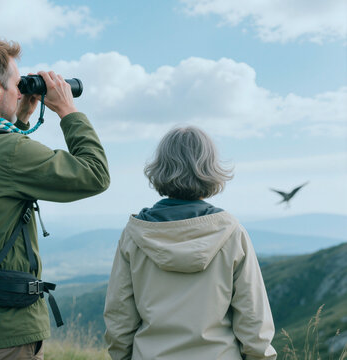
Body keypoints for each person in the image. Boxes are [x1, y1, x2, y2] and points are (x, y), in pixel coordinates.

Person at [0, 38, 110, 359]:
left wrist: (21, 119)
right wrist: (68, 110)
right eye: (16, 84)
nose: (19, 91)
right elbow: (95, 173)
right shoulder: (9, 151)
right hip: (2, 334)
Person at [103, 126, 276, 360]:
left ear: (160, 168)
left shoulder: (134, 234)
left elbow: (119, 318)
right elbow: (254, 322)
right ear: (210, 168)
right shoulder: (231, 232)